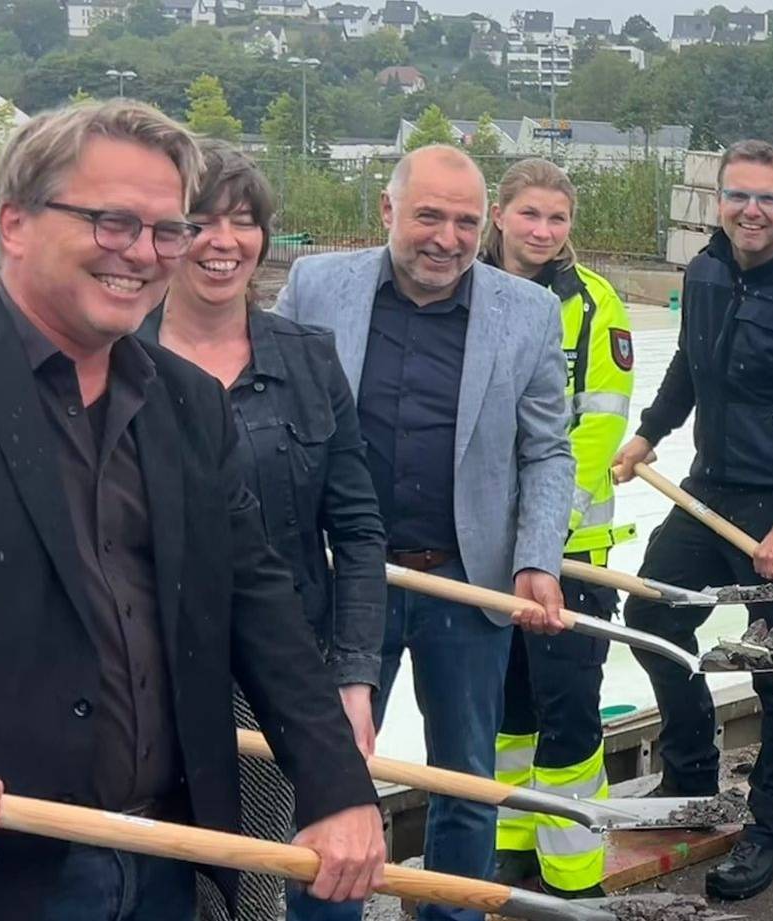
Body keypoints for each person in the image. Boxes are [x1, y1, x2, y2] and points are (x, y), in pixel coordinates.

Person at [0, 100, 385, 918]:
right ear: (14, 222)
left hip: (166, 858)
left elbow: (259, 599)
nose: (142, 254)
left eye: (166, 231)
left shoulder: (186, 401)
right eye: (112, 221)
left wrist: (336, 781)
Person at [274, 144, 575, 921]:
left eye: (466, 221)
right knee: (328, 771)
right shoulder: (316, 287)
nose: (446, 237)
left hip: (462, 583)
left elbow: (547, 448)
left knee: (465, 782)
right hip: (341, 582)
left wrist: (537, 558)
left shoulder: (529, 312)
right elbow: (264, 404)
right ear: (387, 211)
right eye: (429, 216)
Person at [137, 139, 388, 921]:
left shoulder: (309, 361)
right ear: (168, 237)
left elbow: (356, 527)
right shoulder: (115, 359)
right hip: (147, 673)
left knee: (252, 880)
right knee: (154, 876)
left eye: (243, 222)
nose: (223, 242)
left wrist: (348, 677)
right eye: (200, 221)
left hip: (278, 669)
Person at [610, 139, 773, 902]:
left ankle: (772, 830)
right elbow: (690, 361)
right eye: (738, 196)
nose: (751, 211)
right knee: (652, 613)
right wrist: (651, 430)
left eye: (767, 198)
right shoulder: (707, 269)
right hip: (710, 490)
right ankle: (690, 770)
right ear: (720, 201)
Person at [480, 158, 635, 900]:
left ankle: (572, 876)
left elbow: (597, 432)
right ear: (499, 214)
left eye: (558, 218)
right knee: (505, 706)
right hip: (481, 550)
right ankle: (512, 842)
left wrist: (537, 535)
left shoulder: (593, 304)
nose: (544, 231)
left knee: (567, 708)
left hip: (570, 553)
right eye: (530, 214)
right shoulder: (464, 292)